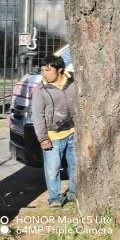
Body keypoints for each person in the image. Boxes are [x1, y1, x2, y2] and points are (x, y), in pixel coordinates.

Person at [31, 55, 77, 208]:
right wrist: (43, 138)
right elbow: (37, 115)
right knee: (52, 169)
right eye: (42, 70)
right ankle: (54, 198)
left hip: (75, 133)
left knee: (76, 166)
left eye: (48, 70)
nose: (44, 73)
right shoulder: (40, 89)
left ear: (60, 70)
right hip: (52, 136)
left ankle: (74, 194)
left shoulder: (74, 82)